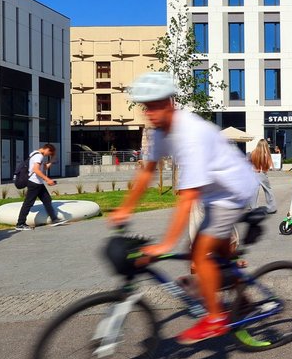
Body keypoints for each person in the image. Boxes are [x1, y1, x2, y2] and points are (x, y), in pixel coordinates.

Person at [110, 72, 258, 345]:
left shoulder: (190, 134)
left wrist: (165, 244)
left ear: (170, 103)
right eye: (146, 107)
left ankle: (215, 319)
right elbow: (147, 171)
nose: (150, 113)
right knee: (218, 256)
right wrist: (125, 209)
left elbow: (187, 197)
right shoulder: (160, 132)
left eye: (155, 106)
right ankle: (244, 299)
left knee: (199, 255)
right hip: (214, 192)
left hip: (233, 191)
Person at [15, 143, 67, 231]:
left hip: (38, 183)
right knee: (28, 203)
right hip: (34, 183)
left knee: (47, 199)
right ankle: (20, 224)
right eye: (50, 153)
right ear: (47, 149)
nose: (49, 155)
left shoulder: (35, 154)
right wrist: (47, 179)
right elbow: (36, 170)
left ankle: (54, 219)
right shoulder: (39, 156)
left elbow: (44, 168)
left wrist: (52, 159)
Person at [249, 139, 277, 213]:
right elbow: (268, 166)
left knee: (254, 191)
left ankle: (253, 208)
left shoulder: (253, 153)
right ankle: (271, 207)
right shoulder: (266, 154)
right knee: (268, 190)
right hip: (262, 173)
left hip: (253, 173)